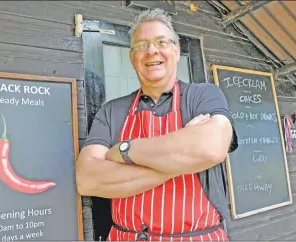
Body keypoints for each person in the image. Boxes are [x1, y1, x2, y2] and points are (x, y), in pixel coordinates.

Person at [76, 8, 238, 241]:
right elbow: (87, 180)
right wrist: (184, 157)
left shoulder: (204, 96)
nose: (151, 50)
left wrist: (125, 150)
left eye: (161, 41)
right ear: (132, 58)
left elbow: (211, 148)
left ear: (176, 50)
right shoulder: (112, 111)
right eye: (141, 45)